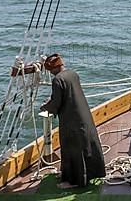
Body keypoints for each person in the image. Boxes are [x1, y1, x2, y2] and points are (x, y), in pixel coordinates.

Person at [40, 54, 105, 189]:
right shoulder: (73, 74)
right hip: (83, 115)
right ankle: (80, 174)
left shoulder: (57, 80)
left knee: (72, 149)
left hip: (71, 120)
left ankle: (74, 181)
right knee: (85, 145)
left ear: (54, 68)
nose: (50, 73)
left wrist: (46, 106)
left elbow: (56, 102)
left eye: (50, 70)